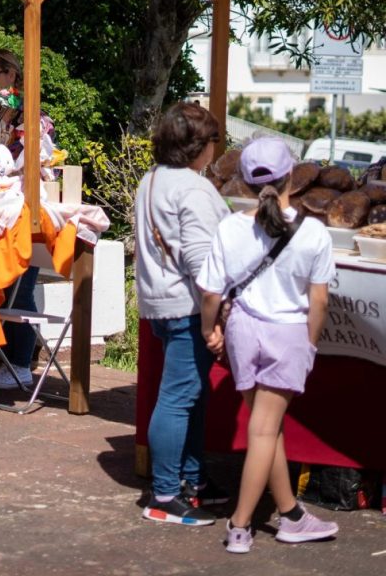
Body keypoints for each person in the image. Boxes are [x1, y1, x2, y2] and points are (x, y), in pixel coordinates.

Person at [198, 137, 338, 553]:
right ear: (292, 176)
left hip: (242, 330)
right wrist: (310, 344)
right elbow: (319, 301)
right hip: (288, 333)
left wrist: (209, 330)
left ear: (243, 181)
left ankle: (291, 514)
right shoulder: (314, 232)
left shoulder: (230, 227)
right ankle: (240, 525)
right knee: (264, 429)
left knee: (265, 428)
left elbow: (210, 293)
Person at [136, 102, 230, 526]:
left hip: (161, 302)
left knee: (190, 395)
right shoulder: (194, 189)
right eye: (213, 140)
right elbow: (204, 265)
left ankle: (193, 480)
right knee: (178, 399)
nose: (215, 148)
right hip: (188, 306)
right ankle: (165, 495)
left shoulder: (152, 178)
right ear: (198, 145)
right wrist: (212, 323)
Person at [0, 49, 51, 389]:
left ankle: (20, 363)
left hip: (24, 213)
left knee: (20, 287)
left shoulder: (34, 119)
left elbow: (34, 165)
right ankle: (6, 357)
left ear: (12, 75)